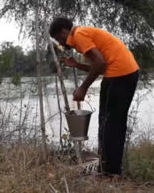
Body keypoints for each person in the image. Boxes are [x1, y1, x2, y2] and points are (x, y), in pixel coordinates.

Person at [49, 17, 139, 177]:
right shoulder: (81, 36)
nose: (60, 44)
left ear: (64, 32)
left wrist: (83, 88)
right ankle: (105, 167)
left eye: (58, 39)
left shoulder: (79, 35)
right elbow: (101, 66)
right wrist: (77, 65)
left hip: (122, 75)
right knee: (105, 122)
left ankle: (112, 172)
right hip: (115, 74)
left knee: (113, 124)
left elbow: (100, 63)